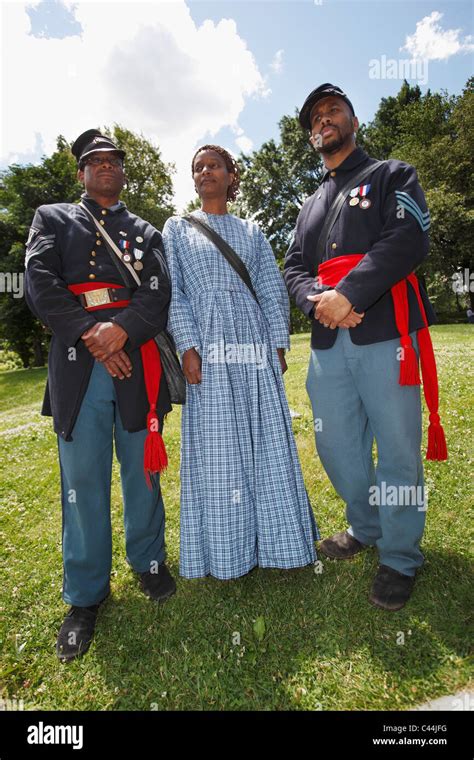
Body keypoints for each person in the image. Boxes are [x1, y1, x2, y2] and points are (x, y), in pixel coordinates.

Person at [284, 84, 447, 611]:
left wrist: (349, 293)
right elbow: (292, 267)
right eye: (315, 117)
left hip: (385, 331)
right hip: (329, 340)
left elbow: (408, 237)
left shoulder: (391, 175)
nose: (323, 120)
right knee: (336, 446)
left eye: (333, 111)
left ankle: (400, 556)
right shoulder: (309, 205)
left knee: (397, 449)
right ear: (312, 135)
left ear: (353, 120)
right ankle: (367, 525)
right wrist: (318, 301)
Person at [25, 129, 176, 662]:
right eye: (96, 161)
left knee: (142, 470)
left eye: (114, 160)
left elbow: (158, 292)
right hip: (76, 363)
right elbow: (38, 283)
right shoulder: (52, 218)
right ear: (81, 173)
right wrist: (91, 336)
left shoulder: (144, 230)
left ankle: (149, 561)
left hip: (135, 360)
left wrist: (122, 332)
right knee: (82, 482)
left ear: (123, 171)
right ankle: (86, 596)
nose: (106, 166)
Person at [162, 144, 319, 580]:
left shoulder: (251, 231)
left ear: (232, 176)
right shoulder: (175, 229)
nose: (205, 171)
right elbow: (174, 293)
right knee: (218, 447)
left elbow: (271, 289)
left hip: (252, 342)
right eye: (198, 167)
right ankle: (226, 552)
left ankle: (279, 543)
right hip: (207, 345)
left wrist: (277, 346)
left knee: (265, 439)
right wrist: (187, 345)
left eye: (214, 165)